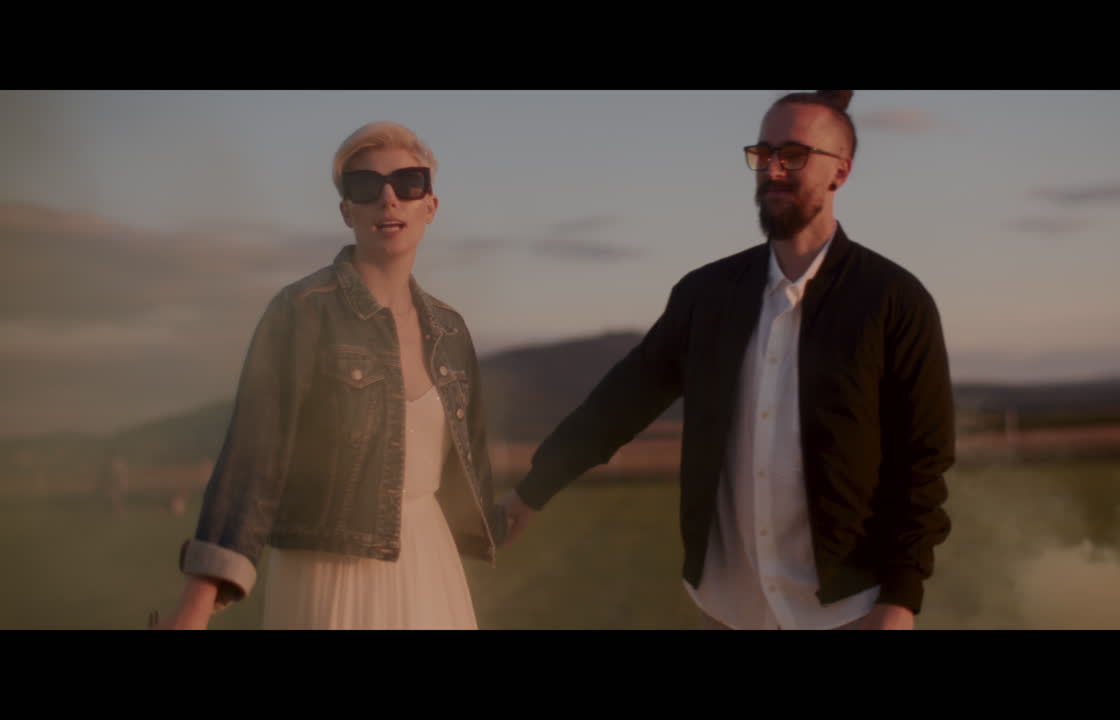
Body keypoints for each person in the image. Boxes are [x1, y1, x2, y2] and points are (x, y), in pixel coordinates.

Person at [500, 90, 954, 630]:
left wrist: (900, 600)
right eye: (763, 154)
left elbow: (922, 462)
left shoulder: (894, 301)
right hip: (729, 605)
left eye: (794, 155)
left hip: (846, 610)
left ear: (841, 173)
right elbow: (619, 404)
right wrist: (532, 490)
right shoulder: (705, 295)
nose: (773, 170)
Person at [157, 121, 504, 630]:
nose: (388, 199)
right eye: (365, 187)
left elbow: (468, 454)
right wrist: (198, 600)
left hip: (429, 564)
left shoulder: (451, 329)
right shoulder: (301, 312)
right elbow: (255, 458)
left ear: (429, 206)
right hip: (328, 568)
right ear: (346, 211)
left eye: (408, 183)